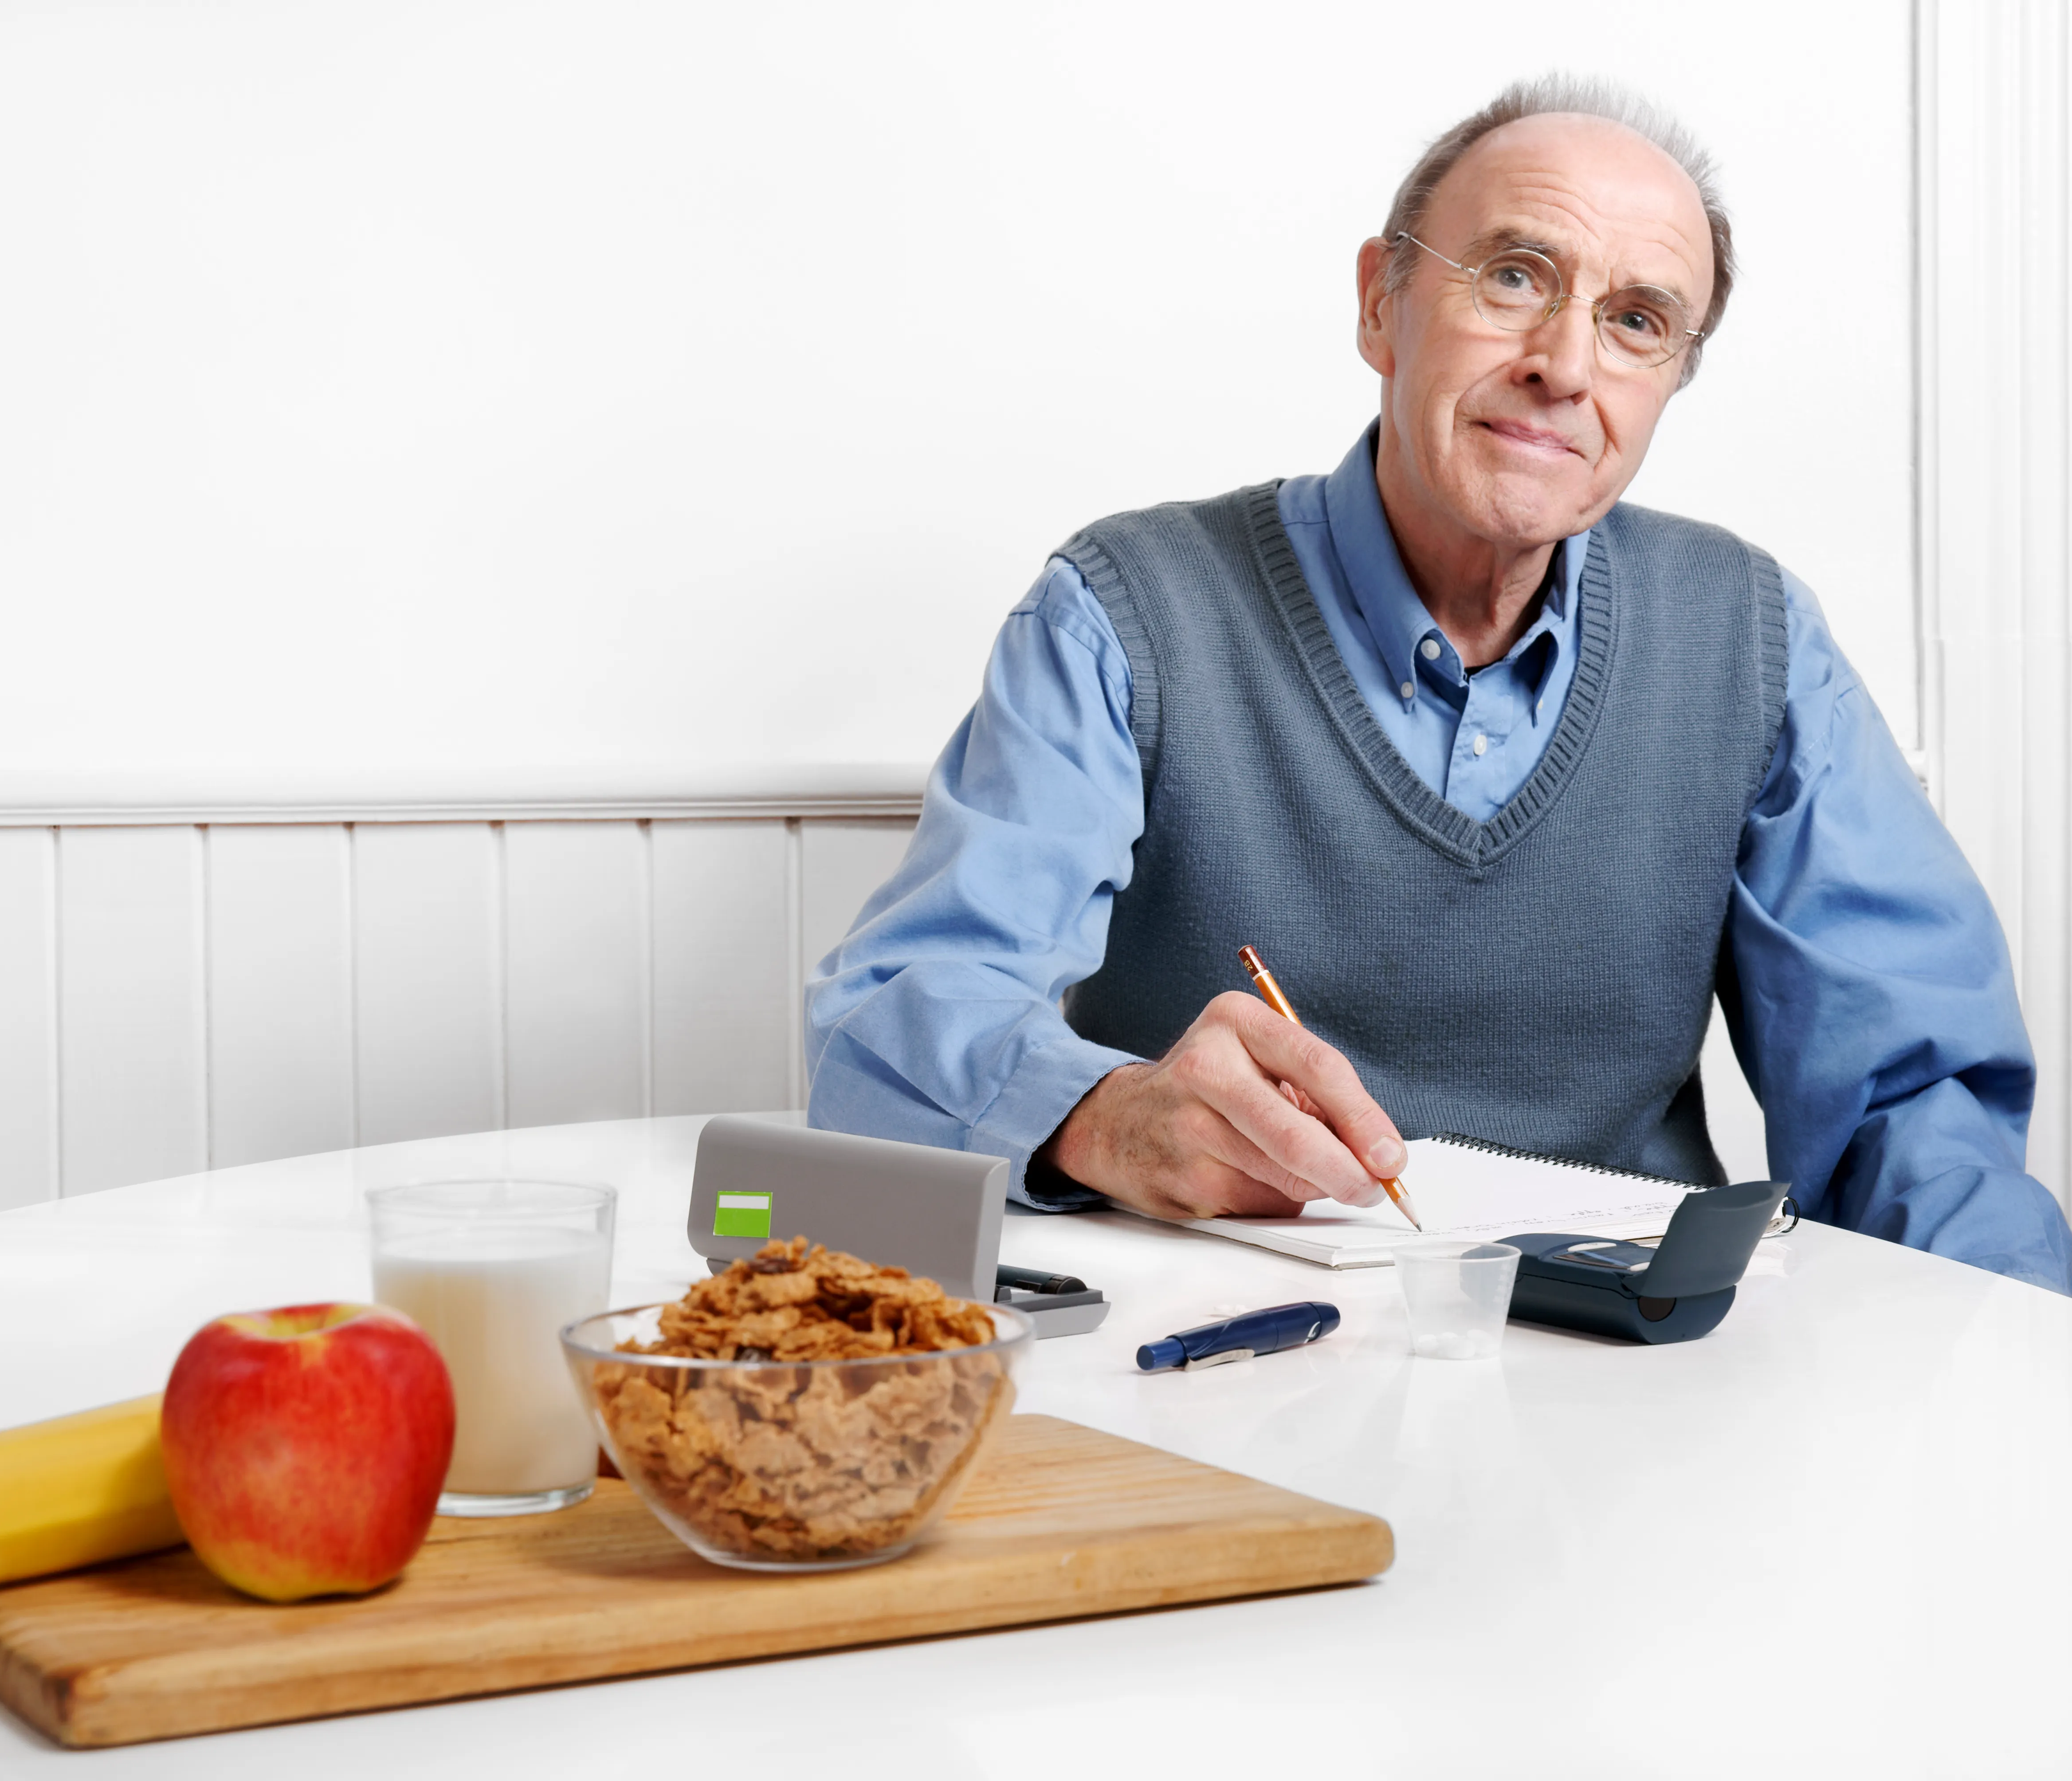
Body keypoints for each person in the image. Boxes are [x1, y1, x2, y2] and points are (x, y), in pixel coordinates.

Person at [803, 76, 2072, 1295]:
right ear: (1379, 302)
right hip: (1215, 1358)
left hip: (1632, 1376)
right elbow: (891, 1020)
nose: (1566, 364)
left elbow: (1914, 1109)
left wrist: (2022, 1374)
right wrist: (1104, 1114)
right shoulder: (1124, 611)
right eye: (1515, 277)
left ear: (1669, 381)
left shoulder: (1750, 638)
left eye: (1637, 321)